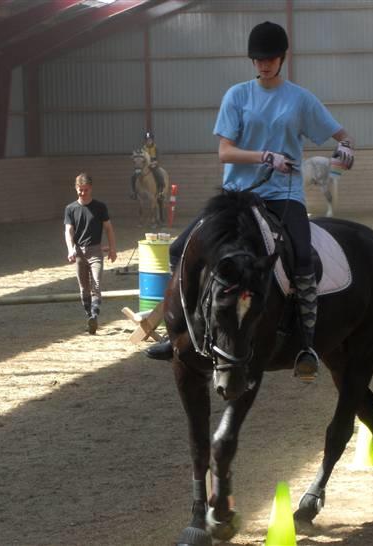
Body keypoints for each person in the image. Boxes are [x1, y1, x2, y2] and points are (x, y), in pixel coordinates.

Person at [146, 21, 354, 382]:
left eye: (270, 58)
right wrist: (264, 157)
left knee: (303, 259)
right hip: (238, 198)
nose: (264, 64)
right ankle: (175, 332)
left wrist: (346, 147)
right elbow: (225, 152)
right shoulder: (237, 97)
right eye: (258, 59)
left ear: (282, 58)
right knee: (181, 249)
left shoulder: (300, 99)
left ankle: (306, 343)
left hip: (284, 197)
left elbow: (340, 134)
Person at [64, 173, 117, 334]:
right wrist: (70, 248)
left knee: (96, 283)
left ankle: (94, 315)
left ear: (91, 189)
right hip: (79, 251)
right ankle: (89, 315)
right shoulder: (71, 209)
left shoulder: (100, 207)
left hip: (96, 251)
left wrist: (113, 248)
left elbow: (108, 228)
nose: (82, 193)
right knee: (83, 288)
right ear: (76, 188)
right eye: (80, 190)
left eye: (85, 190)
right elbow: (68, 230)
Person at [130, 130, 166, 201]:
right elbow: (140, 157)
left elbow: (158, 159)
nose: (148, 141)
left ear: (152, 140)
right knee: (133, 176)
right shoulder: (143, 149)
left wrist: (154, 163)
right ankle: (134, 192)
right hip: (145, 166)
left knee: (159, 175)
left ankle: (161, 192)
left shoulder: (156, 148)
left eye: (150, 140)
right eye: (147, 140)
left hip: (154, 165)